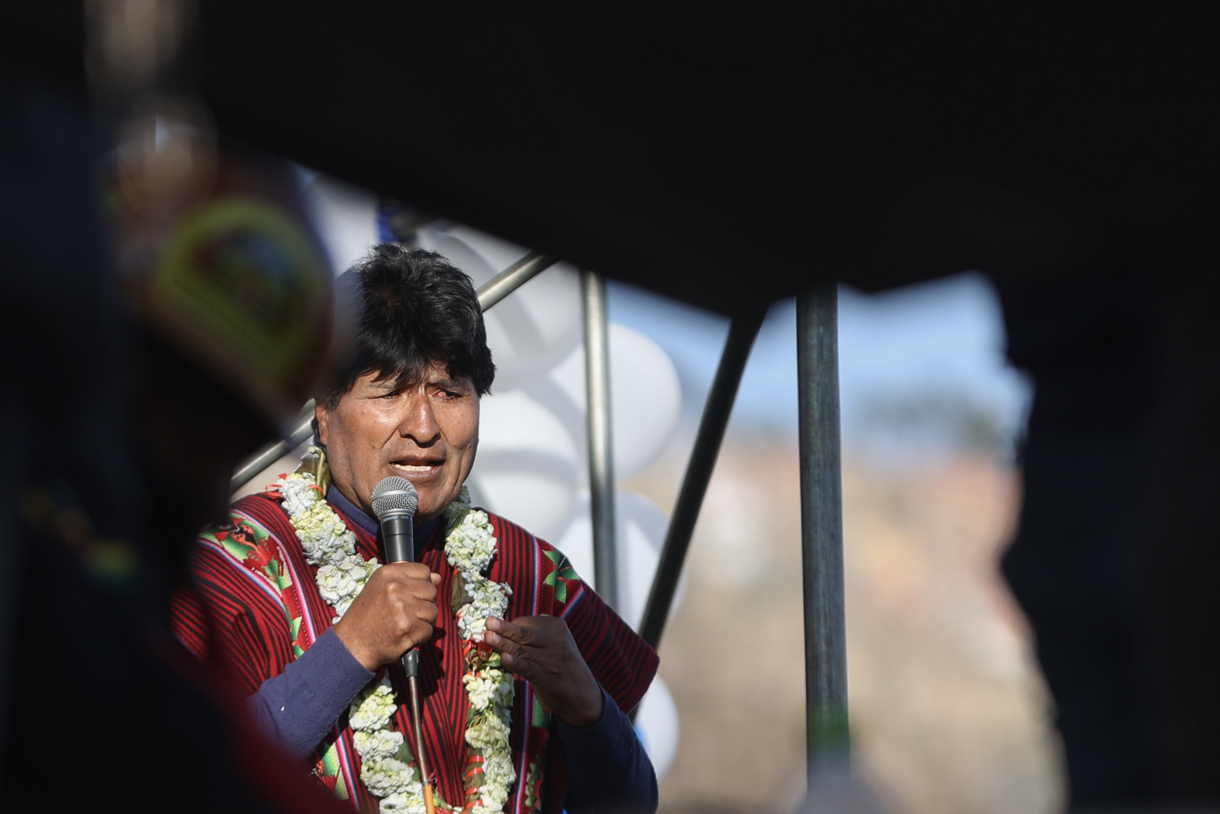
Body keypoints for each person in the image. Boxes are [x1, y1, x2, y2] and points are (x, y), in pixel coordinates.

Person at [171, 245, 660, 813]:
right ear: (325, 414)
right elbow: (174, 768)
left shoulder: (529, 573)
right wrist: (350, 649)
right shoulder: (233, 564)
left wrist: (588, 708)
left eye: (450, 393)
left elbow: (631, 805)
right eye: (390, 393)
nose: (424, 428)